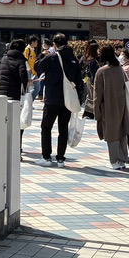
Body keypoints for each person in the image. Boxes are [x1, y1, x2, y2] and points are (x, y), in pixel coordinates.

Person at [34, 33, 85, 167]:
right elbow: (79, 81)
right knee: (63, 129)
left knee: (46, 127)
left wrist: (42, 55)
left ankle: (46, 157)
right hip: (67, 100)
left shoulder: (51, 57)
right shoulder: (73, 59)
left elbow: (37, 68)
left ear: (54, 44)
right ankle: (61, 158)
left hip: (52, 98)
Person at [94, 45, 129, 171]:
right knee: (121, 132)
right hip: (121, 104)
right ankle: (122, 160)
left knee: (111, 134)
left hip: (108, 106)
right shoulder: (120, 69)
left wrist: (96, 112)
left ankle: (114, 161)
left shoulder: (101, 71)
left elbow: (97, 95)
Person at [0, 38, 30, 157]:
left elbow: (0, 74)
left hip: (2, 95)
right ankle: (16, 149)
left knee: (4, 122)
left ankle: (3, 147)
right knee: (17, 123)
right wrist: (27, 84)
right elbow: (23, 77)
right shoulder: (21, 60)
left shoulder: (4, 59)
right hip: (15, 95)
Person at [24, 35, 43, 101]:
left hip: (34, 72)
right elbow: (25, 61)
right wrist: (29, 71)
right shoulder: (27, 49)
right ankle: (28, 102)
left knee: (37, 88)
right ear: (32, 42)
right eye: (36, 42)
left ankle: (29, 101)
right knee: (32, 88)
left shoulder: (32, 50)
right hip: (29, 72)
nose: (37, 43)